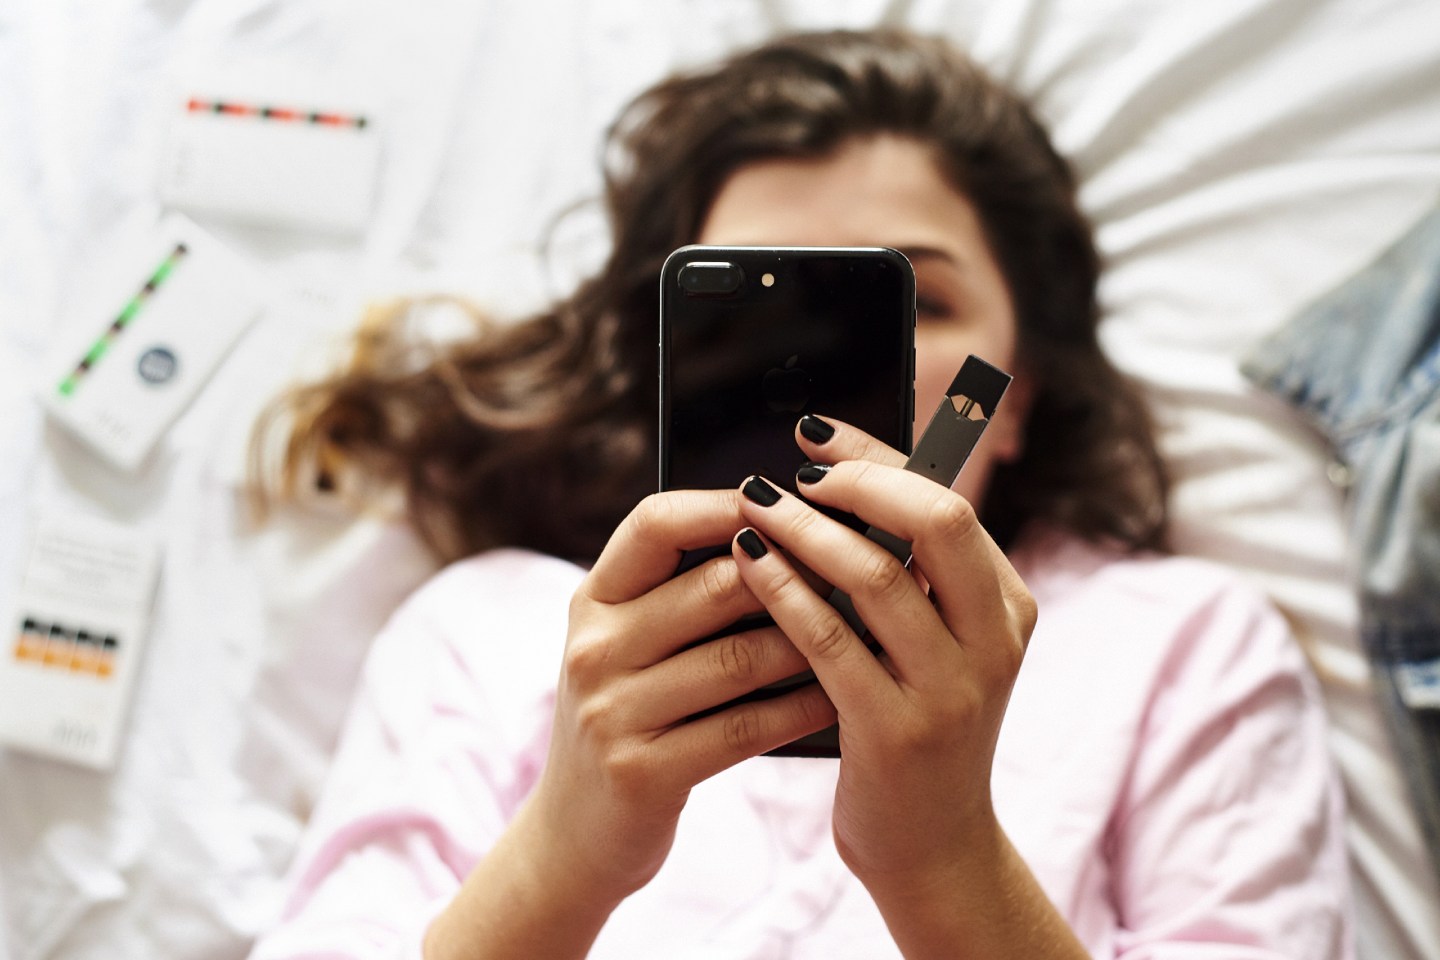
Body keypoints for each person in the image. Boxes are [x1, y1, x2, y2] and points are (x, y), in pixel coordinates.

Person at [248, 29, 1352, 959]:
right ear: (669, 373)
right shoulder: (488, 633)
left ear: (1014, 398)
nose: (832, 371)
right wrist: (562, 856)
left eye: (910, 299)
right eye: (759, 317)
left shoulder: (1184, 647)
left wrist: (945, 859)